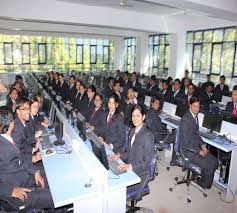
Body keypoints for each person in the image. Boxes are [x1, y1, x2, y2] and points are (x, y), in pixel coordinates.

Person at [0, 108, 64, 212]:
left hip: (26, 177)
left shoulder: (8, 138)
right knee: (56, 197)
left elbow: (20, 160)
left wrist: (34, 172)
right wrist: (10, 191)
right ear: (11, 123)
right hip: (18, 194)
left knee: (54, 179)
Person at [109, 104, 154, 192]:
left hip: (139, 174)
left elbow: (147, 163)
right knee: (110, 174)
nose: (135, 118)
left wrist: (130, 166)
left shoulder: (148, 135)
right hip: (130, 167)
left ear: (143, 117)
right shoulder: (132, 131)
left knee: (115, 188)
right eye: (133, 115)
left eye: (138, 116)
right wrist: (119, 155)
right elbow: (130, 153)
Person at [180, 96, 218, 189]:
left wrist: (203, 146)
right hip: (188, 150)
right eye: (194, 106)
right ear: (190, 105)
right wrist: (199, 151)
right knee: (209, 166)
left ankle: (201, 177)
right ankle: (203, 183)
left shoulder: (194, 116)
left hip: (194, 147)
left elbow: (195, 135)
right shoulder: (186, 119)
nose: (196, 109)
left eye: (198, 106)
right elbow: (185, 141)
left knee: (214, 161)